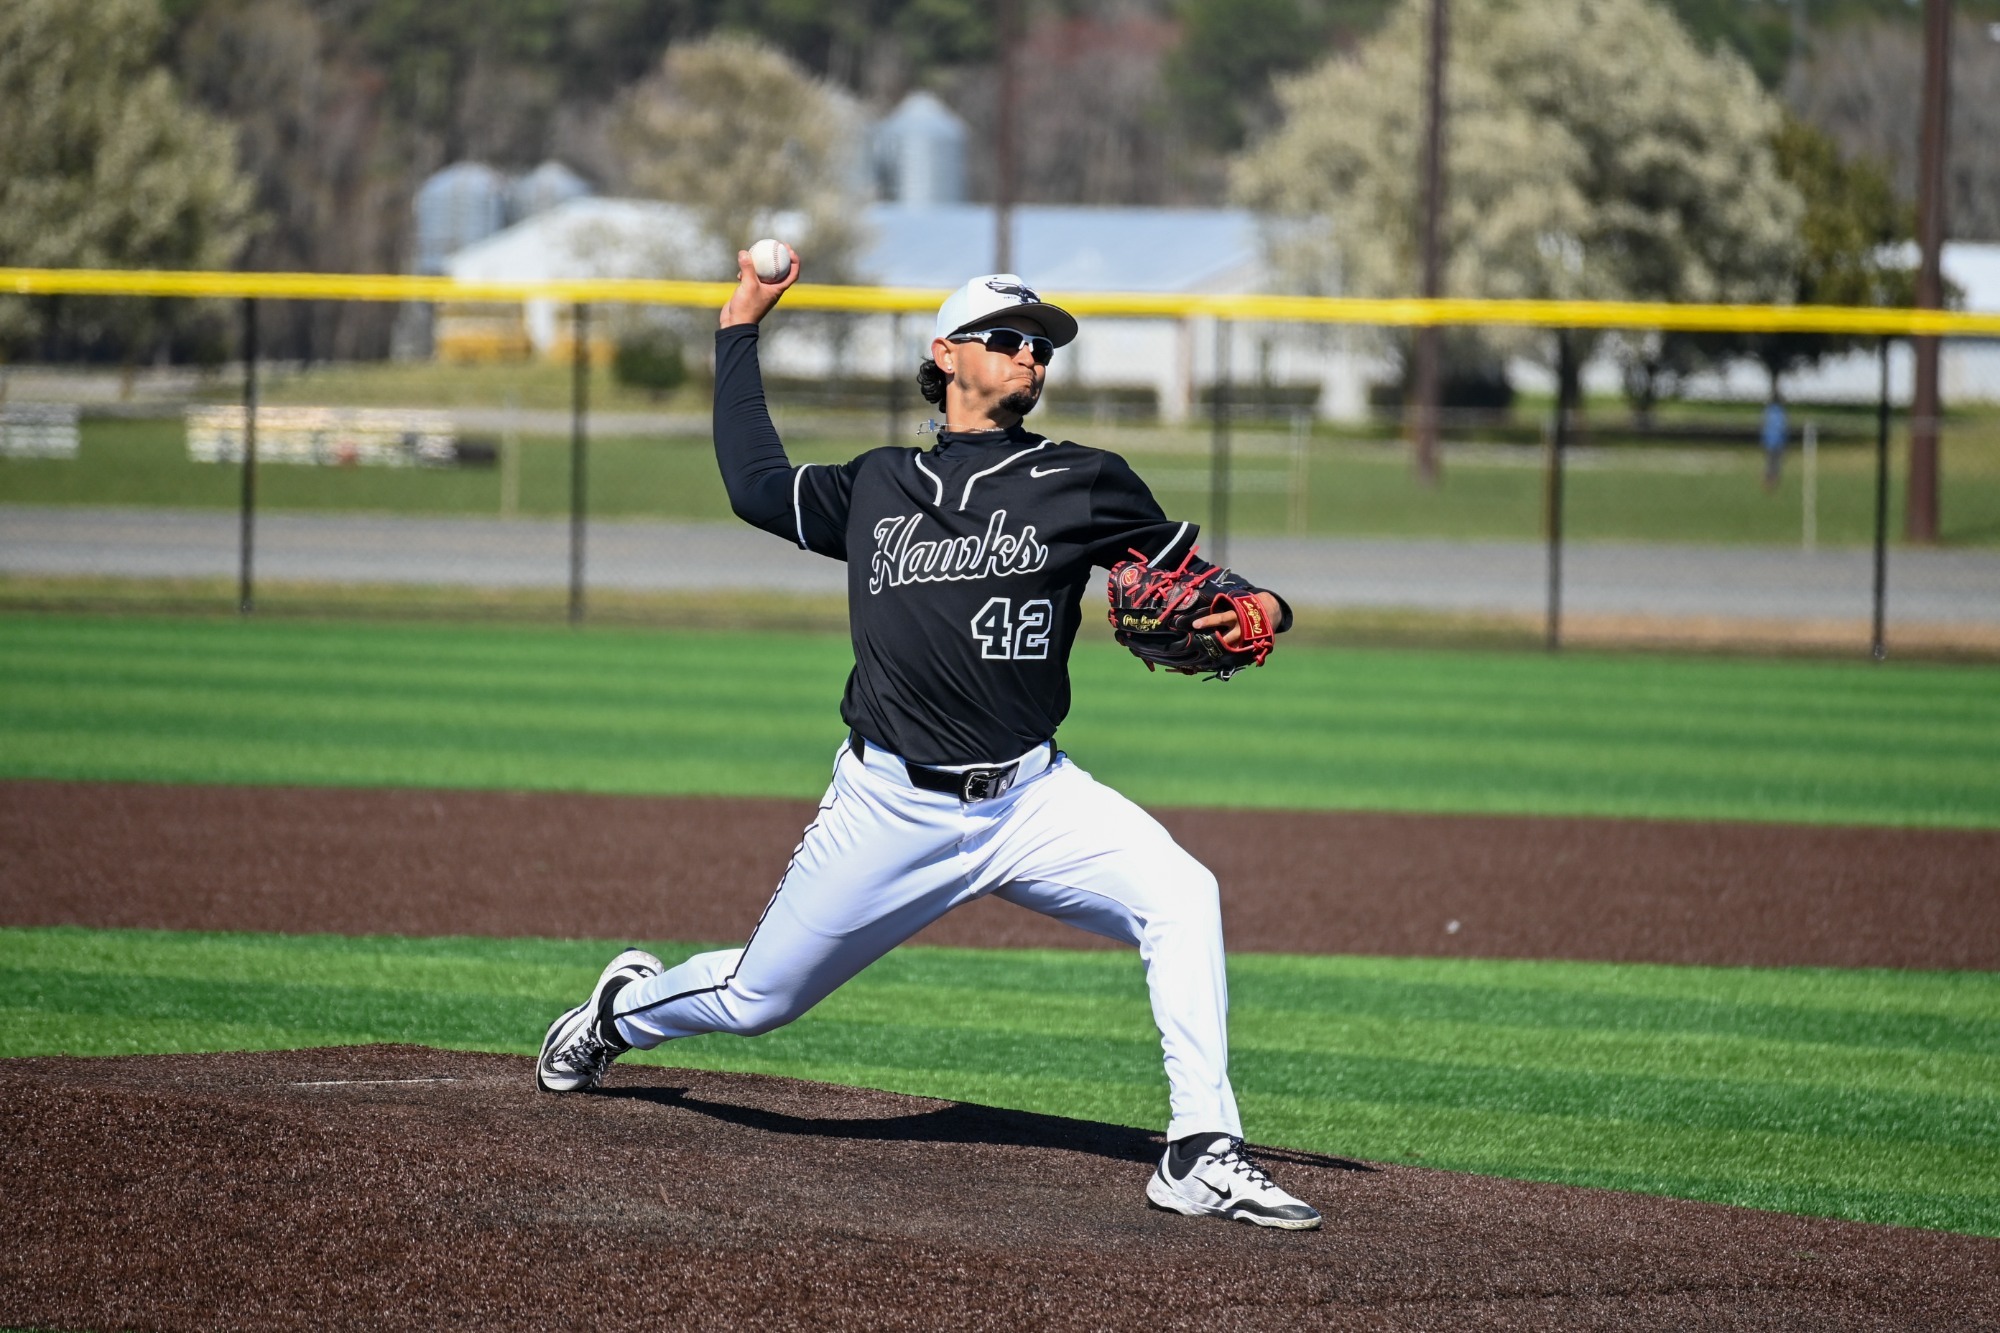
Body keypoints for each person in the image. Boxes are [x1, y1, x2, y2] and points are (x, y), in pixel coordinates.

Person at [535, 249, 1321, 1230]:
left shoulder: (1081, 480)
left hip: (1034, 799)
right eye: (1011, 339)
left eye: (1043, 346)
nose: (1032, 356)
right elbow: (752, 483)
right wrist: (740, 324)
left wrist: (1268, 608)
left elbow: (1205, 583)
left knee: (1183, 893)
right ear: (945, 354)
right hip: (888, 805)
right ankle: (618, 1012)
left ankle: (1199, 1149)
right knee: (755, 999)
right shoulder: (878, 485)